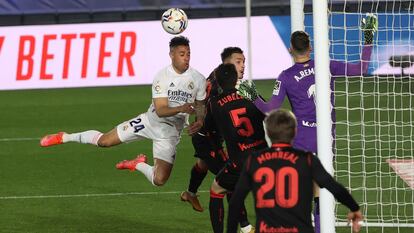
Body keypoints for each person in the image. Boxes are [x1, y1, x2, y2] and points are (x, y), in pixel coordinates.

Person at [236, 14, 377, 232]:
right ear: (310, 47)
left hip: (302, 139)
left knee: (299, 190)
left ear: (291, 50)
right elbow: (362, 68)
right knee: (321, 191)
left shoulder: (286, 76)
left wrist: (253, 95)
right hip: (326, 137)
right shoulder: (326, 65)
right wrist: (368, 39)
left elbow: (270, 109)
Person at [40, 36, 206, 187]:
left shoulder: (198, 78)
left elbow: (200, 104)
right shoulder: (161, 76)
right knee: (104, 141)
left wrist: (199, 121)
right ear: (171, 55)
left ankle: (137, 164)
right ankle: (65, 137)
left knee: (159, 180)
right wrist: (181, 108)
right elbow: (161, 110)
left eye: (188, 54)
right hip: (149, 122)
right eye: (182, 54)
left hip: (170, 133)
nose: (186, 58)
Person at [227, 109, 364, 233]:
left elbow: (235, 202)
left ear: (268, 132)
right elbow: (334, 187)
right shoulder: (307, 160)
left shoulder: (254, 160)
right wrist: (354, 208)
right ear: (295, 132)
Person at [180, 47, 246, 212]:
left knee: (203, 164)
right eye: (238, 62)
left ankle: (190, 193)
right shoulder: (221, 84)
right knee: (230, 177)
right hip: (206, 136)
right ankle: (245, 226)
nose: (243, 65)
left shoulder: (219, 76)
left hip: (211, 134)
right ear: (226, 63)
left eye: (243, 62)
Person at [206, 63, 267, 233]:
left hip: (240, 162)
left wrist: (218, 150)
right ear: (235, 79)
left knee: (216, 189)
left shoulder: (215, 103)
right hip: (264, 157)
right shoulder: (250, 95)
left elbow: (209, 129)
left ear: (217, 81)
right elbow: (268, 114)